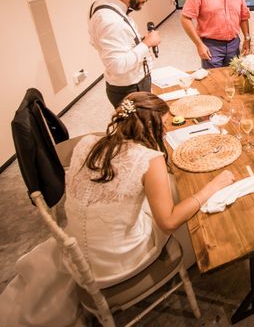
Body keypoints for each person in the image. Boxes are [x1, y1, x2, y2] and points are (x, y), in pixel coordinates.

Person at [0, 92, 235, 325]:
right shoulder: (149, 159)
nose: (164, 132)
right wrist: (213, 186)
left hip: (81, 253)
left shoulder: (87, 143)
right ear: (148, 127)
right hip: (119, 263)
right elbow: (169, 222)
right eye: (162, 126)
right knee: (179, 206)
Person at [89, 0, 160, 108]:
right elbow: (117, 65)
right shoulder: (109, 20)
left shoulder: (103, 3)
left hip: (133, 83)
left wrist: (137, 43)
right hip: (131, 88)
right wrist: (146, 44)